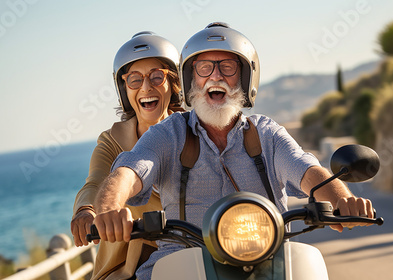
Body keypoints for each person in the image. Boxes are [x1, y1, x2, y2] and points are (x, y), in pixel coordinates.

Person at [93, 22, 375, 280]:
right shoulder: (168, 134)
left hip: (268, 260)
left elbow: (307, 170)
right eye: (204, 68)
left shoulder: (267, 133)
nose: (215, 77)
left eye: (227, 67)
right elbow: (129, 170)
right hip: (181, 262)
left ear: (244, 78)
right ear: (191, 79)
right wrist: (110, 208)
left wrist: (342, 199)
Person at [70, 31, 184, 280]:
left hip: (189, 255)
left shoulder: (192, 133)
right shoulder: (112, 140)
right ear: (124, 89)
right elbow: (95, 181)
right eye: (134, 79)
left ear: (174, 84)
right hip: (125, 264)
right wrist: (86, 211)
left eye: (157, 76)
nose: (146, 87)